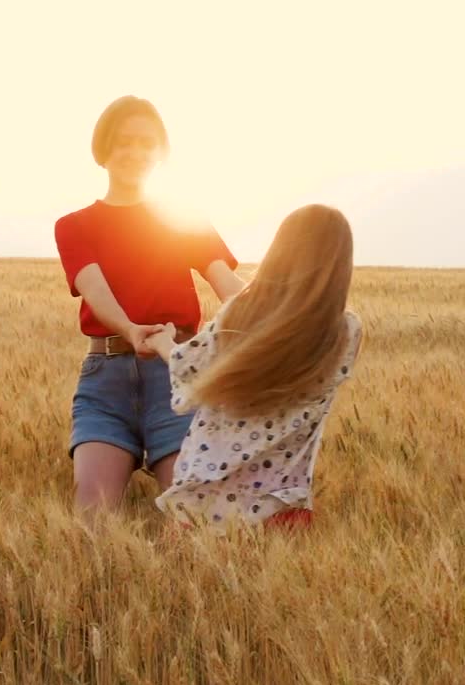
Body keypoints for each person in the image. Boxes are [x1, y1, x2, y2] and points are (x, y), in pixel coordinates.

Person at [54, 95, 244, 517]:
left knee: (192, 520)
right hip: (106, 384)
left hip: (179, 373)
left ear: (160, 153)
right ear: (103, 151)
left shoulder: (184, 219)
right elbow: (93, 287)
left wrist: (287, 312)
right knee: (93, 519)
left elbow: (228, 284)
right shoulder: (74, 226)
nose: (135, 152)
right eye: (123, 142)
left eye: (146, 143)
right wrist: (128, 327)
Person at [146, 203, 363, 533]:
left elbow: (189, 369)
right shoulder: (346, 332)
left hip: (206, 504)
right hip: (281, 506)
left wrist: (162, 341)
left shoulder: (239, 314)